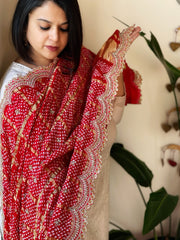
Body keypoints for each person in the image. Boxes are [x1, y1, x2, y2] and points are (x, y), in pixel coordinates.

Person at [0, 0, 142, 239]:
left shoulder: (78, 65)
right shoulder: (18, 91)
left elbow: (110, 120)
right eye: (44, 27)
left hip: (85, 206)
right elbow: (35, 171)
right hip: (42, 219)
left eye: (64, 28)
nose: (55, 37)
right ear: (23, 25)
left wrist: (110, 76)